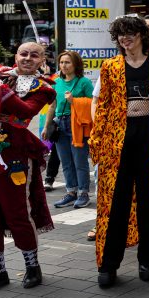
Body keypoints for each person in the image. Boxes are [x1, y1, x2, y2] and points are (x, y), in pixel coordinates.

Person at [0, 43, 55, 295]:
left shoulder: (43, 88)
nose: (28, 58)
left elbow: (24, 114)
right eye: (23, 53)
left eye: (34, 55)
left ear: (42, 60)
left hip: (14, 153)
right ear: (15, 56)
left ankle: (32, 266)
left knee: (17, 212)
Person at [89, 15, 149, 288]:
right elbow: (103, 106)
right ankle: (108, 264)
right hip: (117, 139)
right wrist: (97, 141)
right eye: (120, 35)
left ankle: (148, 258)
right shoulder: (110, 66)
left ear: (141, 37)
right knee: (115, 202)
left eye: (130, 34)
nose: (125, 39)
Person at [43, 51, 94, 209]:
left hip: (77, 124)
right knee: (65, 161)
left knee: (79, 161)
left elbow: (93, 103)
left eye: (67, 62)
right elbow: (52, 106)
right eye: (62, 62)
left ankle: (83, 193)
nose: (63, 65)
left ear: (76, 64)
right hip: (60, 124)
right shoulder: (56, 82)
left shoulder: (84, 82)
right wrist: (46, 126)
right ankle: (71, 192)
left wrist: (74, 101)